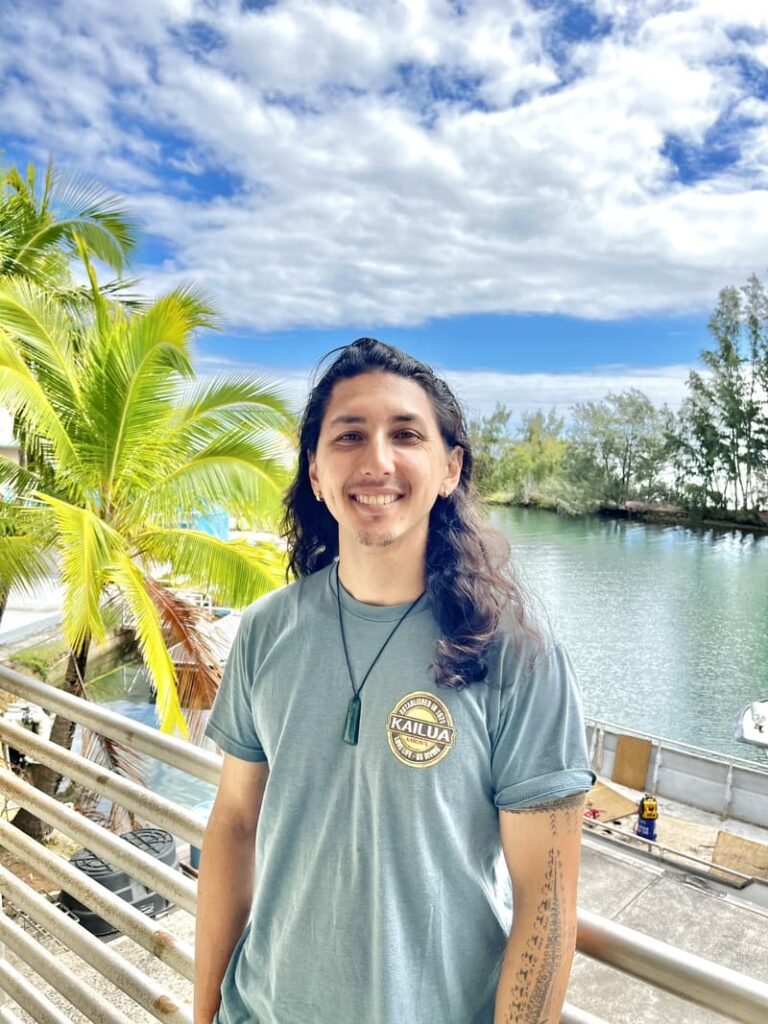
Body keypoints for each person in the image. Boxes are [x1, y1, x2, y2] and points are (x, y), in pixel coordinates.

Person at [194, 337, 596, 1024]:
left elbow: (547, 899)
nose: (376, 460)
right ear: (316, 474)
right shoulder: (267, 629)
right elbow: (233, 825)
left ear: (448, 468)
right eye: (348, 435)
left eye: (405, 434)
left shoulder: (515, 653)